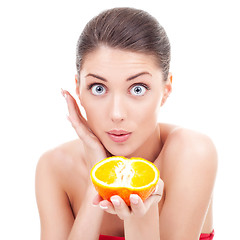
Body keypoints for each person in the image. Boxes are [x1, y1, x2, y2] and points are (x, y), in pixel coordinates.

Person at [35, 7, 217, 240]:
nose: (117, 114)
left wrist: (141, 218)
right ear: (78, 88)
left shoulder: (192, 152)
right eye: (98, 88)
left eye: (137, 89)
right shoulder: (55, 167)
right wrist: (98, 179)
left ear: (166, 90)